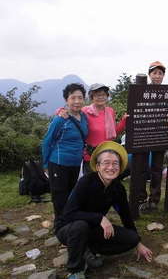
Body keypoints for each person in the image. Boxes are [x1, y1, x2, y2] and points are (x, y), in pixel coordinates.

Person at [55, 141, 152, 279]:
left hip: (93, 228)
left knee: (131, 238)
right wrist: (100, 218)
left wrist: (138, 243)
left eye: (115, 163)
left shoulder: (118, 188)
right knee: (80, 226)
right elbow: (69, 214)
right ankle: (76, 270)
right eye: (106, 163)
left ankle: (88, 249)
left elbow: (126, 217)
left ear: (120, 167)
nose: (111, 167)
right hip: (68, 227)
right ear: (98, 166)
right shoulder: (86, 182)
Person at [42, 83, 88, 223]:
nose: (77, 101)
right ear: (66, 100)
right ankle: (59, 226)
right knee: (59, 196)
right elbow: (47, 141)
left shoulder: (84, 117)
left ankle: (68, 221)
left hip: (75, 163)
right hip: (58, 163)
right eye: (73, 98)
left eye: (80, 98)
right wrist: (45, 165)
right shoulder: (60, 119)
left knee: (71, 194)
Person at [57, 83, 128, 174]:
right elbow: (70, 112)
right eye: (97, 95)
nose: (100, 97)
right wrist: (60, 111)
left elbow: (114, 132)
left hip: (107, 153)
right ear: (92, 97)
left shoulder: (110, 111)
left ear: (107, 96)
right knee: (91, 184)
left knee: (106, 183)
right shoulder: (85, 111)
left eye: (103, 95)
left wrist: (124, 121)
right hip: (90, 156)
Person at [130, 61, 167, 214]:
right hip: (143, 136)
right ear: (150, 75)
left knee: (157, 169)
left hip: (160, 137)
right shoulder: (142, 91)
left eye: (160, 73)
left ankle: (154, 199)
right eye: (154, 73)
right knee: (141, 168)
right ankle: (140, 198)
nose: (157, 76)